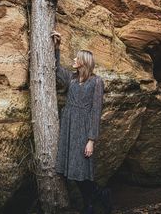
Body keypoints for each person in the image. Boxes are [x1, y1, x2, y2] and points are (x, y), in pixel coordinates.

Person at [51, 31, 112, 214]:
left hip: (84, 130)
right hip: (69, 127)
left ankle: (94, 200)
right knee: (72, 169)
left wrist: (91, 139)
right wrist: (57, 47)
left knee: (81, 169)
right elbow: (55, 69)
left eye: (77, 59)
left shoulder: (96, 82)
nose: (74, 60)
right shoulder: (71, 78)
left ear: (84, 62)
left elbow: (96, 111)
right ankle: (96, 198)